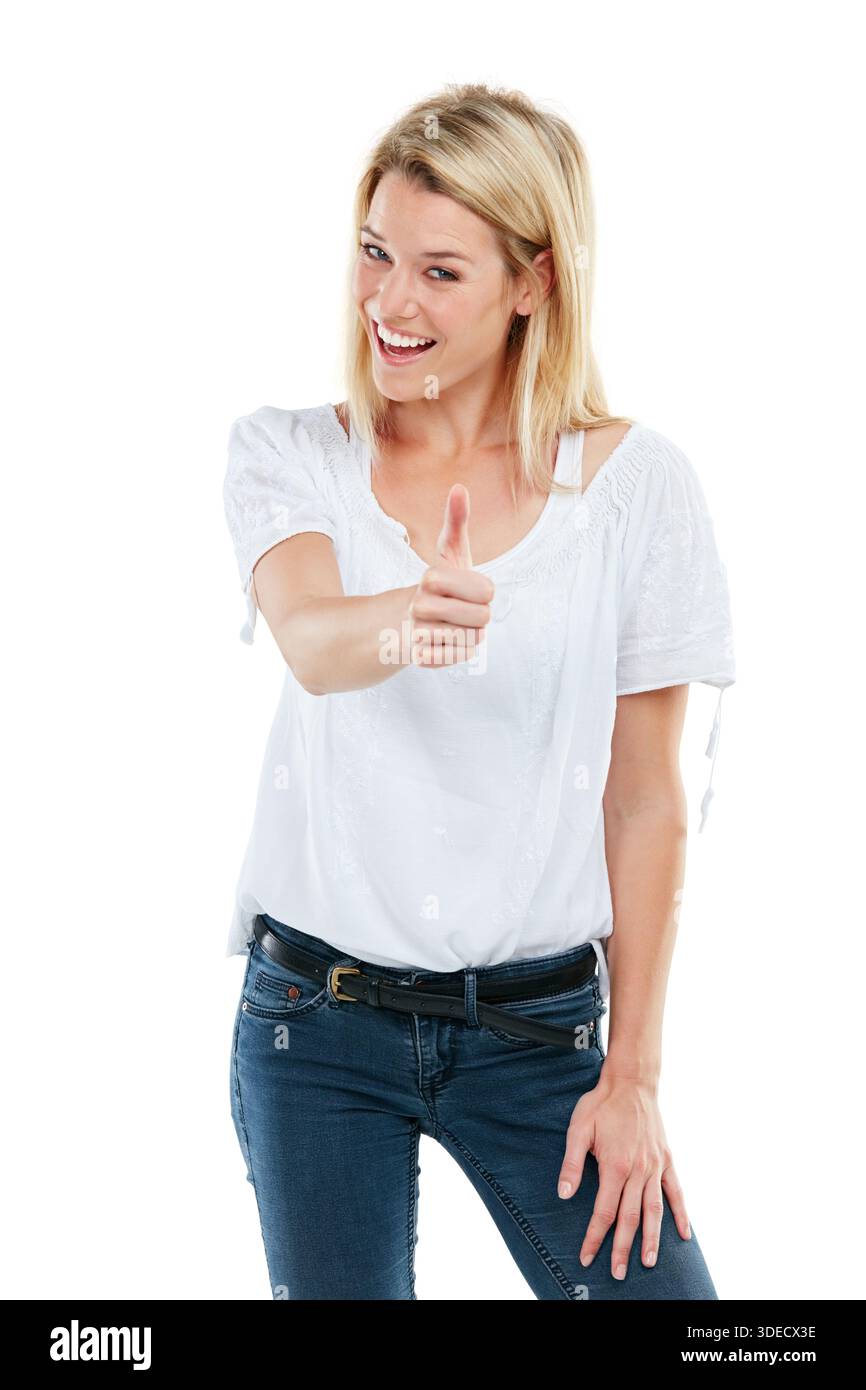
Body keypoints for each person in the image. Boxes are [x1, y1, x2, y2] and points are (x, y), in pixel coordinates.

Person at [222, 82, 736, 1301]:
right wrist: (408, 617)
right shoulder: (290, 453)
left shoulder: (634, 491)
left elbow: (647, 807)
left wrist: (633, 1077)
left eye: (439, 273)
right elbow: (307, 636)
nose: (389, 302)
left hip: (540, 1036)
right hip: (315, 1023)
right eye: (374, 253)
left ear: (533, 282)